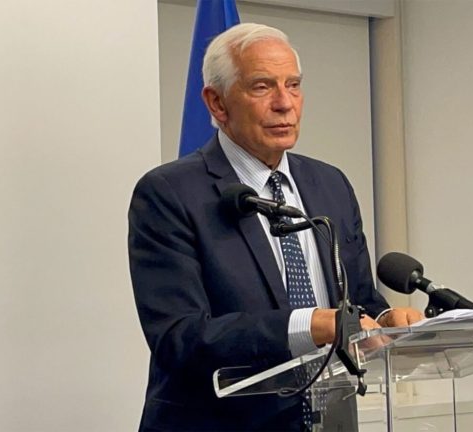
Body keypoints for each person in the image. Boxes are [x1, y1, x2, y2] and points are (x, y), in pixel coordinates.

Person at [128, 23, 423, 431]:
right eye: (263, 87)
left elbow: (356, 303)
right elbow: (180, 338)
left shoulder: (330, 184)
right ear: (216, 103)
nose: (285, 104)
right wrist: (309, 325)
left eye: (294, 85)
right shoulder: (170, 193)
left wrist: (387, 320)